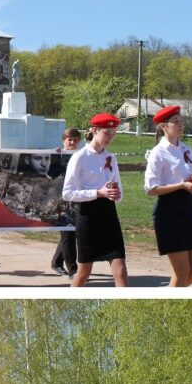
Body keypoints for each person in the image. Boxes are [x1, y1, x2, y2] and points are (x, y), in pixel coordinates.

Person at [62, 112, 128, 287]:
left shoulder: (111, 158)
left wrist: (116, 194)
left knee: (120, 270)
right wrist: (98, 193)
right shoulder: (79, 157)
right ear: (94, 130)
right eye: (106, 133)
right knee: (84, 272)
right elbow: (67, 193)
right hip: (87, 215)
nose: (110, 138)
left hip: (108, 215)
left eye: (113, 134)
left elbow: (118, 189)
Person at [144, 105, 192, 285]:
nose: (180, 125)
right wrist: (181, 185)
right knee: (182, 272)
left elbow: (190, 176)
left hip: (188, 207)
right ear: (164, 127)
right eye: (175, 122)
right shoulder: (158, 152)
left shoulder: (187, 149)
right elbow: (150, 188)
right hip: (168, 210)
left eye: (181, 121)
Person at [50, 128, 81, 277]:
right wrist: (55, 157)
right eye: (70, 139)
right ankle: (73, 270)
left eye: (75, 140)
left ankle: (56, 262)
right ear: (64, 141)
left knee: (70, 234)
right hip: (61, 201)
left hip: (78, 200)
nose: (72, 142)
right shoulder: (59, 155)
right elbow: (51, 174)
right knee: (68, 234)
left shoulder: (82, 156)